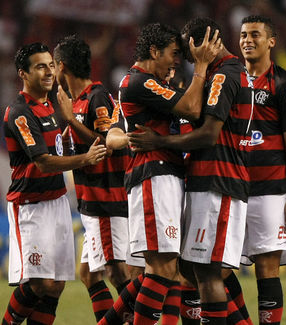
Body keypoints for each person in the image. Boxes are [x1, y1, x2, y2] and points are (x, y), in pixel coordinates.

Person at [129, 17, 254, 324]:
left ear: (205, 43)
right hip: (205, 180)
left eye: (187, 50)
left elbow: (209, 133)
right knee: (188, 269)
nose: (184, 58)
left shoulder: (224, 75)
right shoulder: (219, 74)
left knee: (209, 272)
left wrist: (162, 140)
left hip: (218, 180)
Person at [100, 23, 221, 325]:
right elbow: (192, 108)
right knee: (162, 268)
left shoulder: (145, 84)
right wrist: (203, 66)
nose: (178, 60)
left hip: (163, 177)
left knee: (166, 269)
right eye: (174, 53)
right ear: (154, 51)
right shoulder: (140, 81)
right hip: (154, 176)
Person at [1, 42, 107, 325]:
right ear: (23, 73)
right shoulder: (20, 111)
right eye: (40, 66)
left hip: (57, 200)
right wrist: (85, 159)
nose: (49, 72)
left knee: (56, 284)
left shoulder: (51, 106)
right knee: (39, 283)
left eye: (51, 65)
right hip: (31, 205)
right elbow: (43, 161)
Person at [52, 35, 131, 323]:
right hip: (91, 201)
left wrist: (71, 121)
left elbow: (107, 143)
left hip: (105, 199)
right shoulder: (78, 101)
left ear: (62, 67)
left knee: (118, 272)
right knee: (88, 274)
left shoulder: (96, 97)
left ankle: (138, 318)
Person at [238, 15, 286, 324]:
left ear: (271, 42)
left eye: (255, 34)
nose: (247, 40)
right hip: (233, 190)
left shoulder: (285, 83)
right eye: (242, 35)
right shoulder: (230, 81)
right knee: (218, 268)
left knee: (266, 270)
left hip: (271, 192)